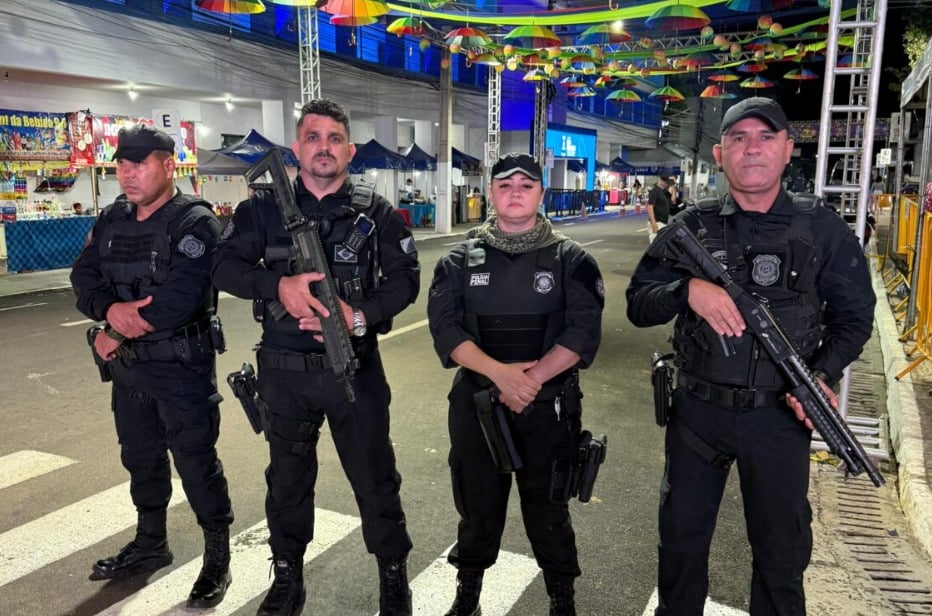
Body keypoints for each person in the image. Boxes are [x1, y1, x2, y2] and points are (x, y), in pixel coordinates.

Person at [626, 97, 875, 615]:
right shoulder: (690, 227)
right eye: (739, 139)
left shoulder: (821, 228)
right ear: (720, 154)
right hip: (698, 414)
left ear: (788, 150)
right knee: (680, 546)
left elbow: (855, 316)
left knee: (782, 557)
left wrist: (822, 375)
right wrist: (686, 290)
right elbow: (638, 304)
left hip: (780, 416)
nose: (752, 149)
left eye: (766, 137)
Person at [212, 99, 419, 616]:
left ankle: (393, 577)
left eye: (333, 138)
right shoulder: (260, 210)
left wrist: (359, 316)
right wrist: (276, 286)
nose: (323, 146)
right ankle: (287, 577)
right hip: (284, 374)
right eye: (312, 137)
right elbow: (224, 268)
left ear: (348, 149)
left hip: (355, 369)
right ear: (296, 148)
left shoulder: (376, 213)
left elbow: (406, 281)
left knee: (375, 479)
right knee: (286, 482)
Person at [427, 153, 605, 616]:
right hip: (478, 403)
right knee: (477, 508)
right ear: (491, 194)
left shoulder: (572, 259)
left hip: (548, 406)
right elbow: (446, 329)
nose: (515, 192)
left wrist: (531, 380)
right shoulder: (458, 260)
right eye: (505, 185)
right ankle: (468, 597)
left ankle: (561, 599)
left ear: (541, 194)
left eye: (526, 185)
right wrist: (501, 375)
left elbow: (583, 332)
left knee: (548, 513)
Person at [70, 124, 234, 609]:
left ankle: (217, 558)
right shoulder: (112, 217)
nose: (127, 173)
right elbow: (83, 275)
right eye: (121, 164)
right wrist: (108, 309)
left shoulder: (196, 222)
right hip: (129, 369)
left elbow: (177, 301)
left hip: (180, 368)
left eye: (139, 164)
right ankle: (151, 543)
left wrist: (113, 328)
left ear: (168, 165)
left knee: (196, 462)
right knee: (140, 458)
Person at [647, 173, 677, 243]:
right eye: (667, 182)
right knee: (656, 246)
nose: (668, 184)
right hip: (657, 222)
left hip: (663, 222)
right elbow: (650, 207)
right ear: (661, 181)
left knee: (661, 246)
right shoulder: (655, 191)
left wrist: (673, 187)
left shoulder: (665, 192)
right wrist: (654, 224)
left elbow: (673, 201)